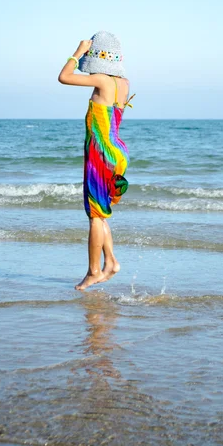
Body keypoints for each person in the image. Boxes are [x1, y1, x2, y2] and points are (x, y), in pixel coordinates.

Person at [58, 31, 135, 290]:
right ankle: (110, 262)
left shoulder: (101, 80)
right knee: (101, 214)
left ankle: (93, 271)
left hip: (100, 154)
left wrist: (78, 52)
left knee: (94, 215)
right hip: (117, 153)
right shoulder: (123, 83)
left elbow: (64, 77)